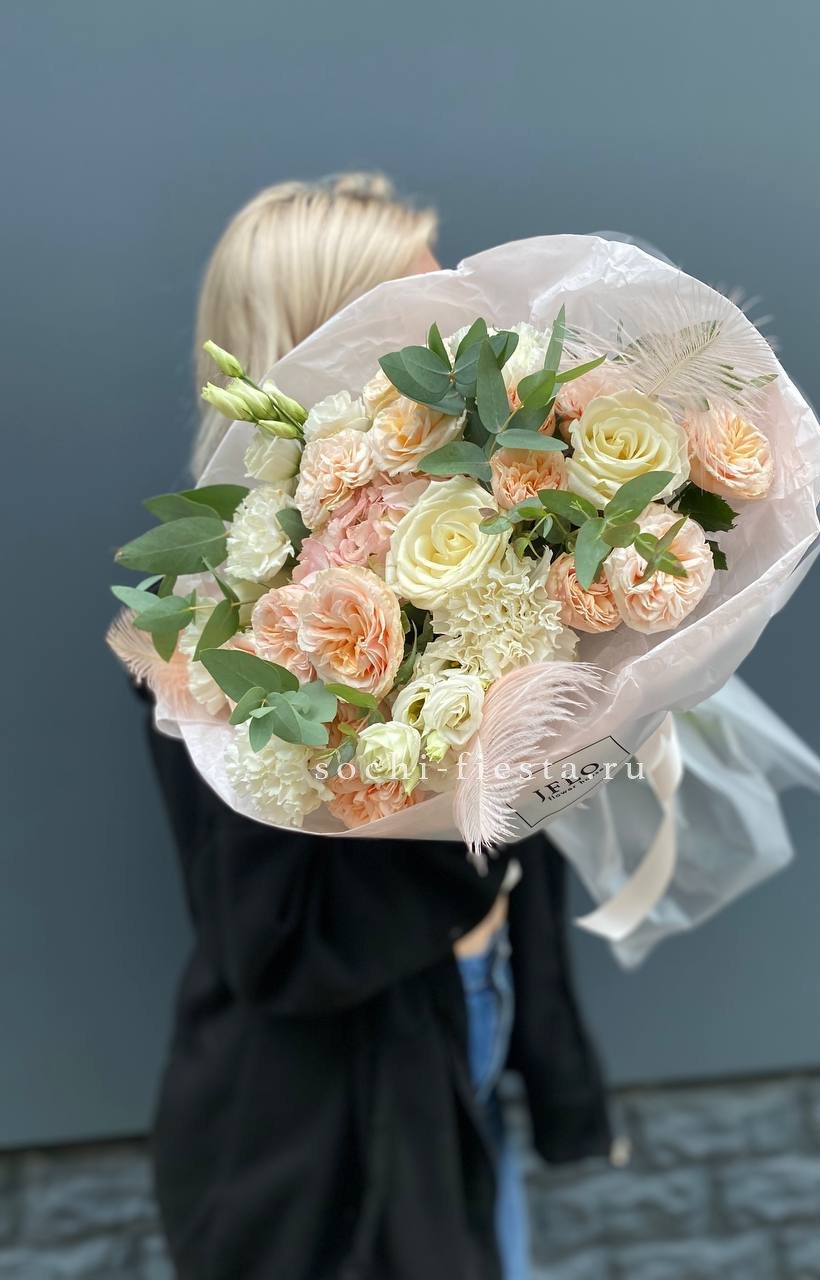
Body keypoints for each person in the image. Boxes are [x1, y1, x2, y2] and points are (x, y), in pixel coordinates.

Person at [147, 174, 612, 1280]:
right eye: (422, 302)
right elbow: (275, 946)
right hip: (332, 1139)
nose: (462, 326)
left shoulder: (479, 528)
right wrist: (475, 788)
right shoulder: (226, 614)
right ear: (323, 337)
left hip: (463, 1048)